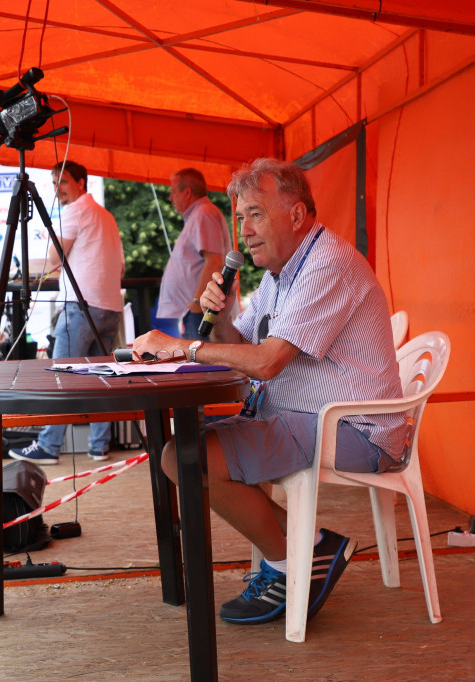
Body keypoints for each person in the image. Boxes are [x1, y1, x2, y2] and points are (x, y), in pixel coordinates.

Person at [133, 158, 406, 625]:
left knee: (184, 458)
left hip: (355, 430)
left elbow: (266, 362)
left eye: (256, 214)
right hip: (302, 418)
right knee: (189, 451)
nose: (245, 232)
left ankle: (295, 560)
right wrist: (214, 319)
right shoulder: (281, 274)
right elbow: (241, 347)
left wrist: (182, 347)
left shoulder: (326, 263)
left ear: (297, 216)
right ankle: (309, 548)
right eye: (240, 218)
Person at [10, 160, 125, 465]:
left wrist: (28, 267)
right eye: (53, 183)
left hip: (81, 306)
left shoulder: (75, 211)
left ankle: (48, 445)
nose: (57, 189)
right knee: (102, 377)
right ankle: (99, 445)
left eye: (62, 182)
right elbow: (121, 265)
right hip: (110, 306)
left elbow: (53, 259)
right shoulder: (106, 215)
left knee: (61, 376)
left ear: (81, 182)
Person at [157, 168, 237, 341]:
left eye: (173, 192)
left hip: (200, 310)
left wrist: (195, 303)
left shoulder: (204, 214)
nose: (170, 198)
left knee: (199, 365)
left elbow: (214, 261)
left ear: (187, 193)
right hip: (196, 309)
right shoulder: (199, 214)